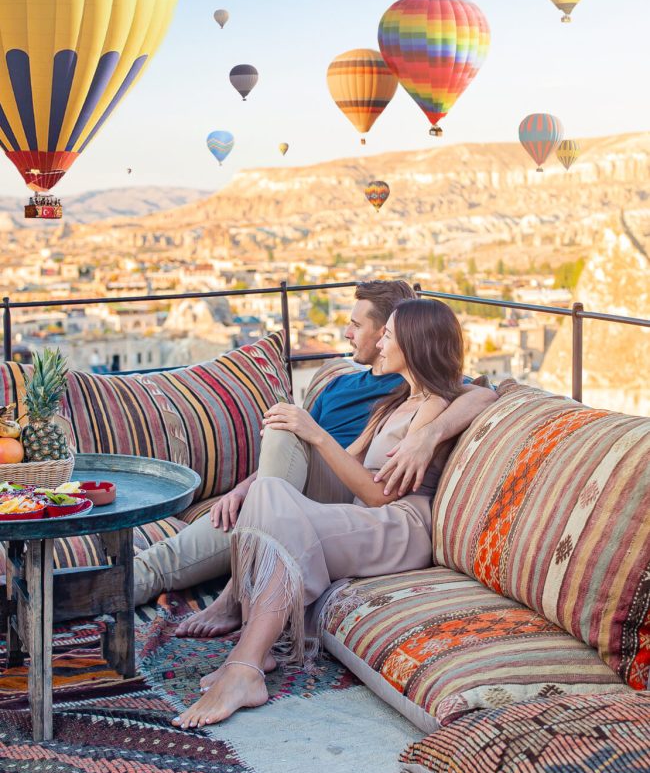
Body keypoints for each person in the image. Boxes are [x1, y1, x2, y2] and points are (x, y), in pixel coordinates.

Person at [173, 298, 469, 728]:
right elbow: (346, 464)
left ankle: (246, 666)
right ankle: (249, 658)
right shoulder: (395, 402)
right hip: (365, 516)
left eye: (387, 336)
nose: (379, 344)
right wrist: (251, 485)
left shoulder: (436, 405)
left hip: (400, 526)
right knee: (270, 493)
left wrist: (314, 433)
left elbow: (380, 497)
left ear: (415, 344)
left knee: (281, 508)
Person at [133, 281, 495, 633]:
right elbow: (293, 451)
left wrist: (429, 436)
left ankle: (231, 594)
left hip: (327, 499)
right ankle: (94, 591)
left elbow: (483, 393)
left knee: (165, 563)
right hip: (287, 485)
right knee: (280, 427)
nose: (347, 333)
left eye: (358, 325)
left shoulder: (406, 383)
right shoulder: (343, 384)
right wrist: (246, 489)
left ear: (396, 335)